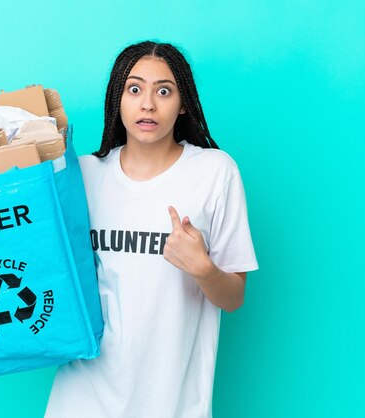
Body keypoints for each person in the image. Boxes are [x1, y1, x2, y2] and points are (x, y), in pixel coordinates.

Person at [45, 40, 258, 418]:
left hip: (170, 403)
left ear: (183, 103)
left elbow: (233, 297)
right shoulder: (84, 176)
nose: (148, 104)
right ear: (118, 99)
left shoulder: (214, 172)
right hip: (81, 398)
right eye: (134, 88)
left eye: (164, 91)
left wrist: (203, 269)